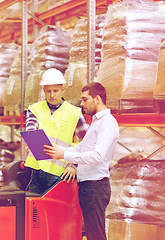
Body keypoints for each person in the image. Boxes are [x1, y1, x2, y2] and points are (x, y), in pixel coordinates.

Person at [44, 82, 119, 240]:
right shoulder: (97, 122)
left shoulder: (107, 123)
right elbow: (81, 148)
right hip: (88, 187)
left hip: (95, 187)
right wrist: (57, 150)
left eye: (85, 100)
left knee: (96, 235)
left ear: (97, 99)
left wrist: (64, 155)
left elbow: (97, 155)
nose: (82, 104)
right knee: (92, 234)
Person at [24, 68, 89, 195]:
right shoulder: (34, 109)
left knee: (54, 211)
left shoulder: (74, 113)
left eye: (56, 91)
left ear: (63, 90)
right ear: (43, 90)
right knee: (32, 210)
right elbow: (31, 131)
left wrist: (74, 166)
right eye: (48, 91)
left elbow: (88, 142)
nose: (52, 95)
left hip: (59, 174)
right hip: (36, 170)